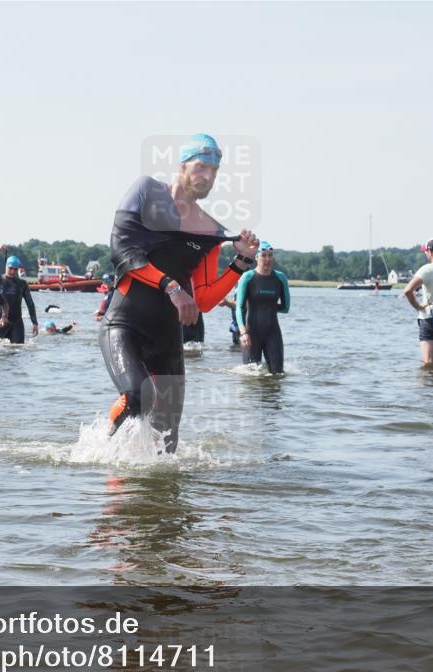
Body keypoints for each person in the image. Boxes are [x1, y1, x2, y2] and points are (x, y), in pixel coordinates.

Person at [99, 133, 258, 453]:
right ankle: (107, 460)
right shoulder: (146, 191)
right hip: (124, 324)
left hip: (166, 338)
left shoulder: (211, 231)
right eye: (201, 167)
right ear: (183, 165)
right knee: (137, 396)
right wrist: (171, 287)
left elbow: (203, 299)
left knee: (167, 437)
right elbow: (122, 250)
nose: (208, 176)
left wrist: (241, 263)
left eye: (214, 171)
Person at [235, 241, 290, 373]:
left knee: (277, 374)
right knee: (251, 377)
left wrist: (267, 306)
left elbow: (285, 308)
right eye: (264, 255)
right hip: (250, 334)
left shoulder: (280, 278)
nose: (267, 259)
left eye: (270, 255)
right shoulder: (247, 277)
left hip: (273, 333)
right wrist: (243, 333)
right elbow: (239, 308)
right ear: (257, 257)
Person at [0, 254, 39, 342]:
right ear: (6, 267)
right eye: (10, 268)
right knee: (0, 350)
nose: (12, 271)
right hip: (2, 319)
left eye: (15, 269)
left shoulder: (22, 284)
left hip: (17, 321)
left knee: (18, 350)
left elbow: (30, 304)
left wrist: (35, 323)